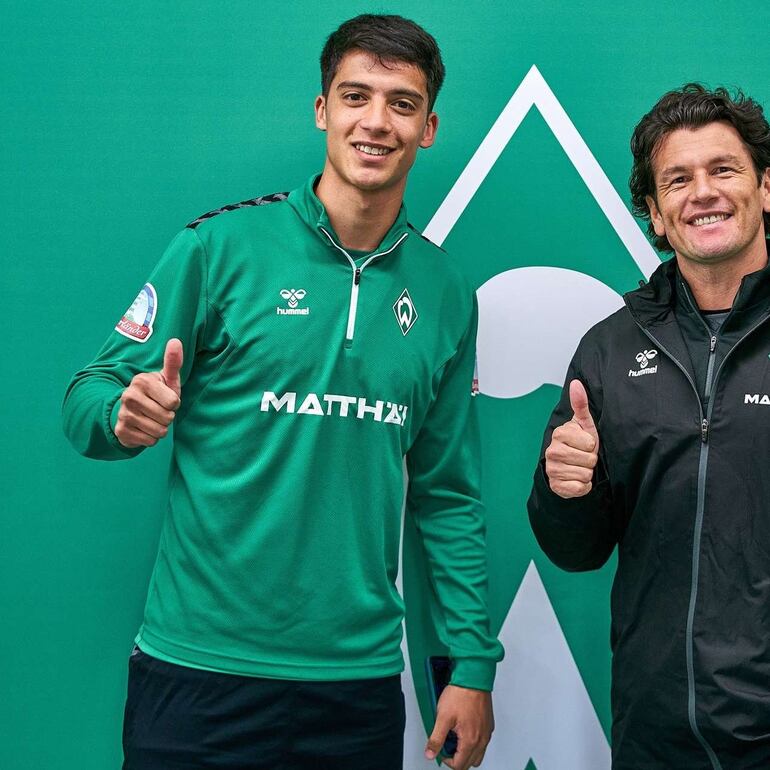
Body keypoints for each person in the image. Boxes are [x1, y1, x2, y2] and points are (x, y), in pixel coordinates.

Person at [62, 14, 502, 770]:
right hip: (196, 672)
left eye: (401, 103)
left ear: (428, 128)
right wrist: (120, 418)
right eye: (355, 95)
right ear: (322, 110)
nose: (376, 121)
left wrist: (470, 663)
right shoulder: (217, 249)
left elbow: (448, 494)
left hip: (355, 686)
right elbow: (88, 394)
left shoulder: (445, 291)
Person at [527, 83, 770, 770]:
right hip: (653, 732)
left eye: (723, 170)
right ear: (656, 215)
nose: (703, 193)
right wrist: (565, 493)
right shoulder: (609, 345)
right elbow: (576, 549)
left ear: (765, 188)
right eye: (678, 180)